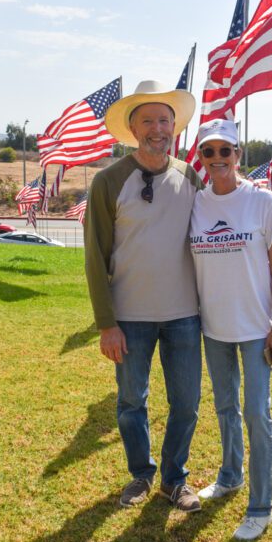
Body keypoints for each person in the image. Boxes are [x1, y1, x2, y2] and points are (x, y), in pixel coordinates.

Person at [85, 80, 204, 513]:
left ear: (174, 126)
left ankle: (175, 480)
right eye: (148, 120)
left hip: (185, 316)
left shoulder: (190, 176)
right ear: (133, 129)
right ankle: (141, 473)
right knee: (132, 401)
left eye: (164, 120)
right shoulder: (109, 181)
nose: (158, 128)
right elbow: (95, 257)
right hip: (129, 318)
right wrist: (105, 323)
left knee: (187, 403)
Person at [188, 119, 272, 541]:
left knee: (256, 414)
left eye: (224, 151)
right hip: (214, 328)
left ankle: (260, 507)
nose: (216, 160)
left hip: (254, 329)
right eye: (208, 152)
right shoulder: (196, 204)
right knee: (225, 408)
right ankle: (230, 476)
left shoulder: (264, 203)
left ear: (238, 155)